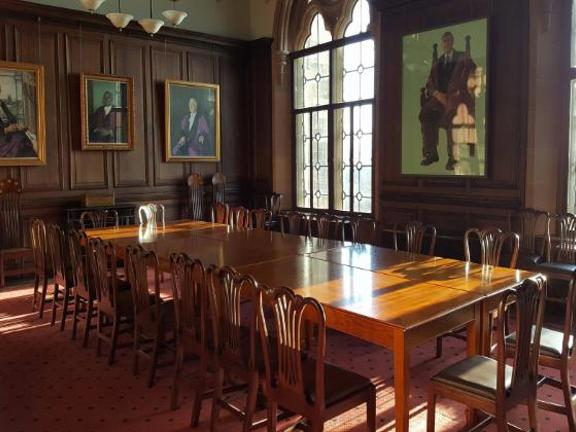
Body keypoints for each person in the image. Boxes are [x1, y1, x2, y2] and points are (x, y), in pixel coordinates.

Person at [419, 31, 476, 171]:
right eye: (444, 41)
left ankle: (453, 157)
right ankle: (431, 153)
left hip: (457, 98)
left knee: (451, 115)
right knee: (425, 114)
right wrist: (437, 94)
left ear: (453, 42)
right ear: (442, 44)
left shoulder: (462, 57)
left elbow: (473, 69)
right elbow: (429, 84)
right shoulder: (438, 63)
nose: (447, 43)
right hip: (440, 98)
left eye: (449, 40)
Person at [0, 83, 36, 158]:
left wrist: (3, 105)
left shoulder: (1, 103)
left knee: (22, 133)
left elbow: (12, 119)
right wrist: (6, 129)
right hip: (1, 141)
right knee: (19, 138)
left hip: (3, 136)